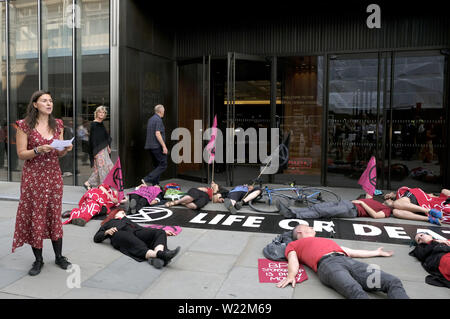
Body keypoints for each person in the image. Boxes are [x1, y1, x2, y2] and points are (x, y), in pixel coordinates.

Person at [12, 90, 73, 276]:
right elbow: (21, 154)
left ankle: (59, 256)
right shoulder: (24, 126)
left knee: (54, 214)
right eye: (44, 100)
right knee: (36, 215)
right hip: (33, 178)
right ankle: (38, 260)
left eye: (51, 100)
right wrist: (38, 149)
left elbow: (59, 152)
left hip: (53, 176)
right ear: (35, 104)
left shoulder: (58, 124)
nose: (49, 103)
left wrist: (66, 148)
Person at [276, 224, 409, 299]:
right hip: (328, 265)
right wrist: (291, 275)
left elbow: (350, 251)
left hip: (348, 260)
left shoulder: (326, 241)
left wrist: (376, 252)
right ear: (300, 230)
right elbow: (293, 259)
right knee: (355, 291)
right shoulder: (294, 245)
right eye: (309, 226)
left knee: (393, 281)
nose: (312, 228)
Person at [93, 208, 180, 269]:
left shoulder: (128, 220)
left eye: (124, 213)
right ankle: (162, 256)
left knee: (159, 232)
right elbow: (96, 238)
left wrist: (162, 232)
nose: (124, 214)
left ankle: (158, 255)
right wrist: (106, 232)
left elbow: (142, 228)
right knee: (133, 240)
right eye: (122, 212)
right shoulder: (109, 223)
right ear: (114, 214)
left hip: (137, 231)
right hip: (120, 234)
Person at [275, 194, 393, 220]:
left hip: (353, 210)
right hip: (347, 203)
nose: (389, 198)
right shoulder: (378, 200)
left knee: (323, 211)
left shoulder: (387, 210)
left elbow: (376, 216)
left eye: (392, 199)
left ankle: (293, 215)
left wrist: (362, 203)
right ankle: (292, 212)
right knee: (318, 207)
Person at [384, 187, 450, 225]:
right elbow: (444, 191)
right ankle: (429, 211)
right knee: (395, 204)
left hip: (422, 211)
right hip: (420, 200)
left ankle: (429, 219)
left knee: (396, 212)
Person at [84, 106, 113, 190]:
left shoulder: (101, 124)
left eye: (103, 113)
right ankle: (103, 186)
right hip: (98, 150)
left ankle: (88, 183)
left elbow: (105, 137)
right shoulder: (93, 124)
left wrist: (108, 146)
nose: (102, 114)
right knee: (102, 168)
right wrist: (95, 152)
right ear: (96, 113)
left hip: (104, 149)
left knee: (107, 167)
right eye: (100, 112)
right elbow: (93, 139)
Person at [143, 104, 168, 186]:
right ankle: (147, 179)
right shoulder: (158, 120)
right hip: (156, 146)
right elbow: (157, 133)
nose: (164, 112)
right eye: (163, 111)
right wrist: (164, 146)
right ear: (160, 111)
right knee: (163, 164)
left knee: (157, 165)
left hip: (150, 146)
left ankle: (155, 184)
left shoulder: (151, 119)